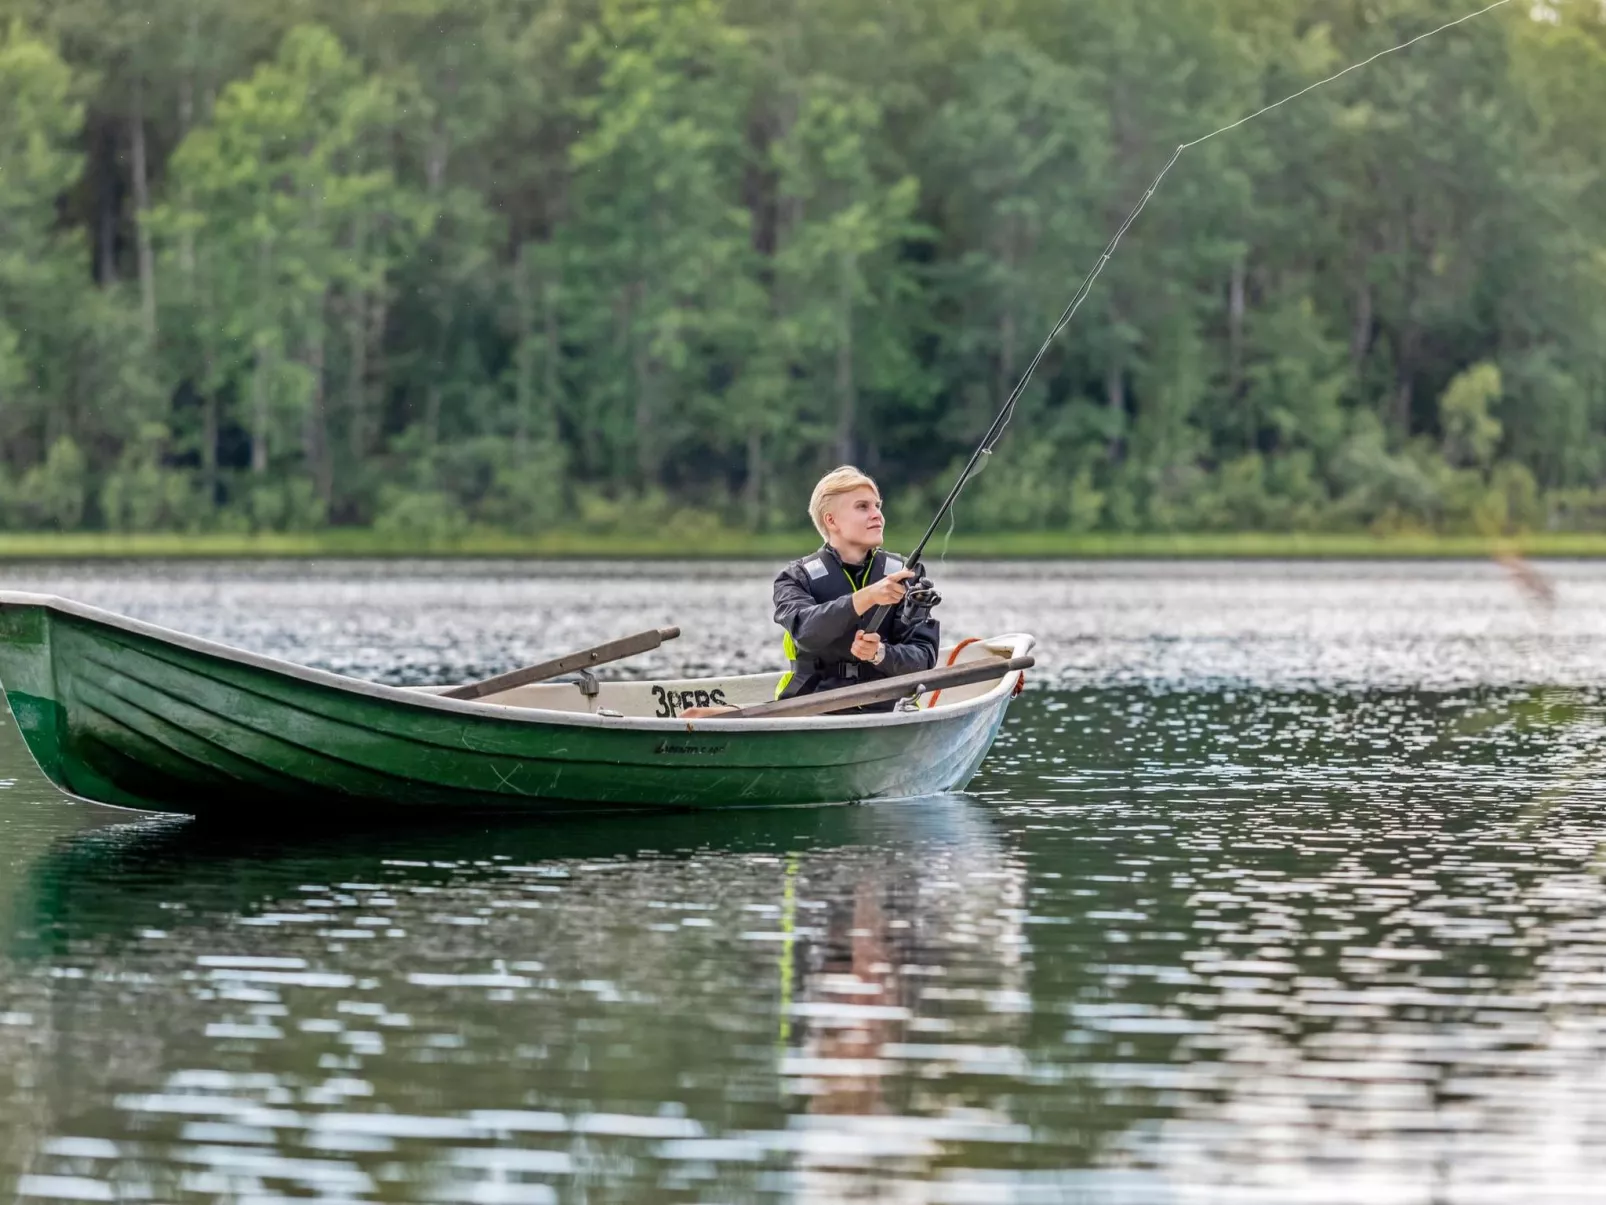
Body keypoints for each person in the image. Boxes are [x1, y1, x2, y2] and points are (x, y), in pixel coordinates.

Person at [771, 466, 939, 710]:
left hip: (887, 709)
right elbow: (807, 632)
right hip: (811, 709)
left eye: (877, 506)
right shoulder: (794, 578)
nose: (877, 515)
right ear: (831, 520)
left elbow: (924, 656)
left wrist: (880, 653)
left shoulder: (906, 575)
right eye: (863, 507)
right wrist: (868, 596)